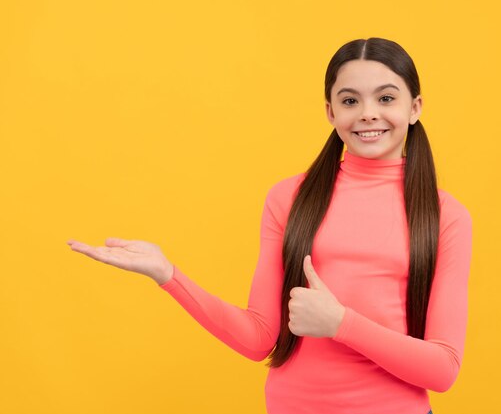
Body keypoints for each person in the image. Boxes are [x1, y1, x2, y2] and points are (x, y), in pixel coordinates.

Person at [67, 37, 472, 414]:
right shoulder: (288, 198)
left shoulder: (445, 216)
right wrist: (168, 275)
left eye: (386, 97)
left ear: (415, 107)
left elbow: (443, 369)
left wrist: (341, 324)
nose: (367, 113)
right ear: (331, 112)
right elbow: (258, 338)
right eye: (350, 100)